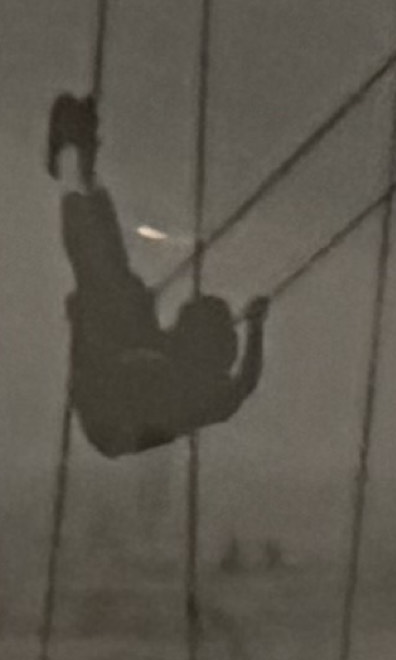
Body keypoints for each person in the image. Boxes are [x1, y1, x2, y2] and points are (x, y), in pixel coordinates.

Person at [45, 89, 265, 457]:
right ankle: (84, 169)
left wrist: (84, 328)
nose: (176, 326)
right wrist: (257, 325)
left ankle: (78, 168)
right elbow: (245, 382)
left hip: (111, 413)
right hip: (123, 377)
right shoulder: (196, 379)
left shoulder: (199, 394)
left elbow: (245, 383)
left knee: (105, 280)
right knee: (116, 282)